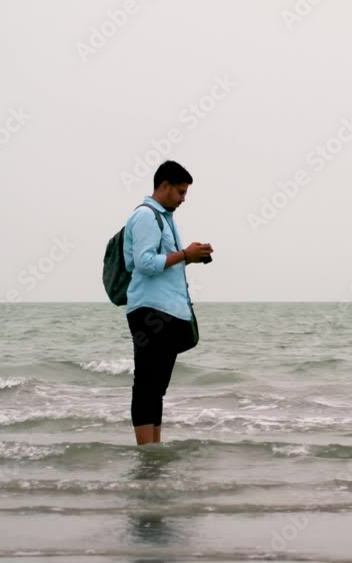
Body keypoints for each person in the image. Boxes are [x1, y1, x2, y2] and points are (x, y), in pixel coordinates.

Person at [123, 161, 213, 446]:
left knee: (157, 388)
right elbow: (144, 263)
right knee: (147, 384)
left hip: (168, 310)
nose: (184, 199)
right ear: (164, 186)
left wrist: (191, 255)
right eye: (180, 192)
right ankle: (145, 451)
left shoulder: (166, 219)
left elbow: (164, 262)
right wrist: (185, 254)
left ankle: (154, 451)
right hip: (149, 310)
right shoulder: (146, 216)